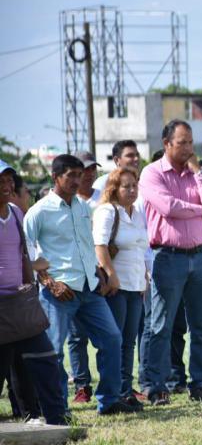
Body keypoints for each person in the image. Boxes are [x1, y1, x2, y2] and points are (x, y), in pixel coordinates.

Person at [23, 154, 140, 415]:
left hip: (89, 288)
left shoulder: (85, 208)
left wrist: (101, 273)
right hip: (58, 293)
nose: (77, 180)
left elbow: (90, 244)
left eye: (80, 175)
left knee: (112, 339)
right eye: (71, 176)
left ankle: (109, 401)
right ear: (55, 177)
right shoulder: (39, 211)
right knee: (53, 351)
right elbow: (26, 253)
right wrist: (49, 282)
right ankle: (56, 408)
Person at [138, 120, 202, 405]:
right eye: (182, 142)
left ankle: (201, 384)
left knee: (201, 326)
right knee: (161, 325)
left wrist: (199, 172)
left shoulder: (196, 173)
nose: (188, 148)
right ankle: (156, 385)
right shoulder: (152, 173)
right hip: (167, 257)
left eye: (190, 142)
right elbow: (168, 207)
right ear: (167, 144)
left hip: (201, 256)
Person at [0, 159, 66, 425]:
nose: (6, 185)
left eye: (9, 180)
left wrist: (29, 285)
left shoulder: (16, 213)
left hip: (20, 305)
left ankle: (55, 418)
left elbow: (23, 255)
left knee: (44, 359)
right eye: (0, 181)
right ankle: (27, 414)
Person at [93, 167, 148, 407]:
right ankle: (111, 393)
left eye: (134, 185)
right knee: (113, 342)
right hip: (116, 286)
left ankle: (125, 391)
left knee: (128, 342)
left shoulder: (137, 212)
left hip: (135, 285)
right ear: (114, 188)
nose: (132, 190)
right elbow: (100, 246)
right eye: (126, 186)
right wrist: (112, 275)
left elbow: (141, 248)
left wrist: (145, 276)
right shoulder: (107, 211)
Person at [67, 150, 103, 403]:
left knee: (108, 335)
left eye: (92, 169)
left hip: (101, 275)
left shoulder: (104, 197)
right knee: (76, 336)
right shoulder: (67, 202)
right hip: (74, 276)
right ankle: (82, 385)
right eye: (83, 170)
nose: (89, 174)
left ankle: (112, 384)